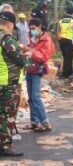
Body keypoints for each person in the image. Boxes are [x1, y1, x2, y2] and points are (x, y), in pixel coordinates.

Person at [0, 11, 26, 157]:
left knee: (1, 115)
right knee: (8, 116)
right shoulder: (6, 39)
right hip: (9, 84)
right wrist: (27, 57)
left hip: (1, 81)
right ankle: (5, 147)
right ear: (9, 24)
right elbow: (20, 60)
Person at [22, 18, 55, 132]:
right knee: (31, 98)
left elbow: (44, 56)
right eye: (30, 29)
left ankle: (45, 122)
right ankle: (34, 122)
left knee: (36, 97)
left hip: (37, 71)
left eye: (33, 29)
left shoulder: (46, 40)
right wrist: (26, 51)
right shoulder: (33, 38)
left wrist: (31, 52)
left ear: (39, 26)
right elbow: (31, 49)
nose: (31, 31)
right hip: (30, 69)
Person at [56, 7, 73, 78]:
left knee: (65, 56)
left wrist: (58, 40)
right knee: (69, 57)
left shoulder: (61, 20)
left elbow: (58, 30)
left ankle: (70, 71)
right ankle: (66, 73)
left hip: (62, 40)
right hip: (70, 40)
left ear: (66, 12)